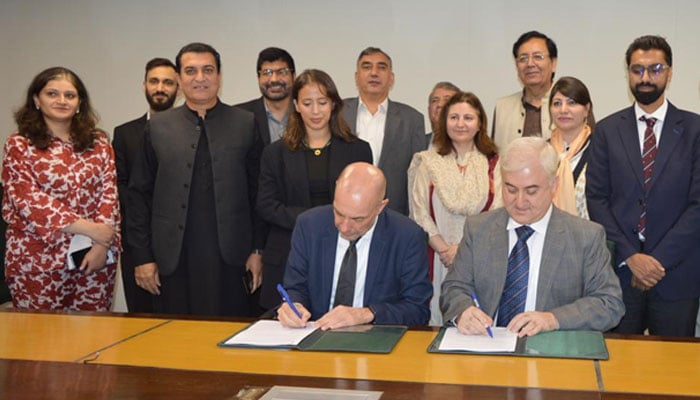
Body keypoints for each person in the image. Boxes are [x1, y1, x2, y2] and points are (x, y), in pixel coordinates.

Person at [127, 43, 264, 317]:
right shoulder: (157, 127)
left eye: (208, 70)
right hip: (173, 261)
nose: (200, 78)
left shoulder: (245, 123)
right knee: (176, 342)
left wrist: (257, 251)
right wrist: (143, 257)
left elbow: (258, 194)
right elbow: (139, 196)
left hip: (231, 259)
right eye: (191, 71)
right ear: (179, 78)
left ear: (219, 77)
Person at [441, 137, 624, 337]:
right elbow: (454, 287)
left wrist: (552, 319)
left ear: (554, 185)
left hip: (550, 353)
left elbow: (609, 304)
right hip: (487, 346)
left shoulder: (585, 236)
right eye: (511, 189)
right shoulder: (479, 229)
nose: (520, 202)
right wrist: (463, 311)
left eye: (531, 191)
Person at [587, 35, 700, 336]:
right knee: (615, 371)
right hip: (620, 276)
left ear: (670, 72)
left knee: (673, 373)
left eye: (655, 68)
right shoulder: (607, 131)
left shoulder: (695, 129)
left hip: (677, 275)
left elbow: (698, 205)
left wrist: (657, 261)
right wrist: (631, 257)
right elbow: (596, 199)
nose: (646, 77)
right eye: (637, 70)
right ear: (628, 73)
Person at [2, 66, 120, 311]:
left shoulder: (98, 143)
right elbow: (27, 199)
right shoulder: (19, 144)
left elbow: (109, 193)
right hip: (37, 260)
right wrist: (90, 228)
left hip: (94, 257)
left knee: (93, 338)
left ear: (79, 103)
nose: (61, 101)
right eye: (52, 94)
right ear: (37, 100)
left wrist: (101, 243)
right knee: (41, 341)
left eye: (70, 95)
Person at [256, 69, 372, 310]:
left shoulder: (357, 149)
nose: (316, 111)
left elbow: (366, 203)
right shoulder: (275, 153)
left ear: (333, 104)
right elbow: (267, 206)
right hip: (288, 249)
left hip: (343, 247)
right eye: (307, 103)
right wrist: (314, 220)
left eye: (322, 102)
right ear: (296, 105)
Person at [278, 162, 432, 330]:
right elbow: (295, 287)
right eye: (339, 213)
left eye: (357, 219)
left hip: (374, 340)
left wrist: (367, 314)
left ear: (380, 207)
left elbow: (418, 309)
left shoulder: (407, 236)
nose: (344, 227)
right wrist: (294, 306)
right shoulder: (309, 225)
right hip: (316, 335)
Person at [408, 91, 501, 326]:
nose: (461, 124)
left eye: (468, 118)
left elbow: (498, 211)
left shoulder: (495, 162)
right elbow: (419, 212)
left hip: (480, 255)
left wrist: (462, 249)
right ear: (444, 122)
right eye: (454, 117)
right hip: (437, 256)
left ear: (480, 123)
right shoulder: (427, 161)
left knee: (477, 321)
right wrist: (445, 250)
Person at [113, 57, 178, 313]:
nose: (160, 87)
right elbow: (121, 189)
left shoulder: (195, 130)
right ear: (144, 86)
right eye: (154, 81)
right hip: (137, 244)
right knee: (140, 320)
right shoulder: (125, 133)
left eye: (167, 82)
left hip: (179, 246)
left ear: (179, 88)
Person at [342, 47, 425, 216]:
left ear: (391, 78)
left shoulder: (412, 119)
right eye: (366, 67)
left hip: (394, 213)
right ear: (356, 77)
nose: (374, 73)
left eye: (381, 67)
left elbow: (417, 177)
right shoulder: (337, 113)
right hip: (345, 212)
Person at [492, 31, 558, 149]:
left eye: (538, 57)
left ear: (553, 63)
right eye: (523, 59)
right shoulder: (503, 107)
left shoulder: (573, 104)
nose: (530, 64)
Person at [548, 76, 595, 219]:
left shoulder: (601, 149)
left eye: (571, 103)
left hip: (589, 235)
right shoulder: (542, 151)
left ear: (586, 109)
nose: (563, 110)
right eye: (557, 103)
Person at [235, 47, 296, 145]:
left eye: (282, 72)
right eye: (267, 73)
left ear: (293, 76)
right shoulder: (239, 117)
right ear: (258, 78)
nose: (274, 79)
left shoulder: (306, 113)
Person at [425, 82, 460, 148]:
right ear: (429, 109)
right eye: (435, 100)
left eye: (447, 100)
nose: (440, 104)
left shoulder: (469, 145)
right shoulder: (417, 143)